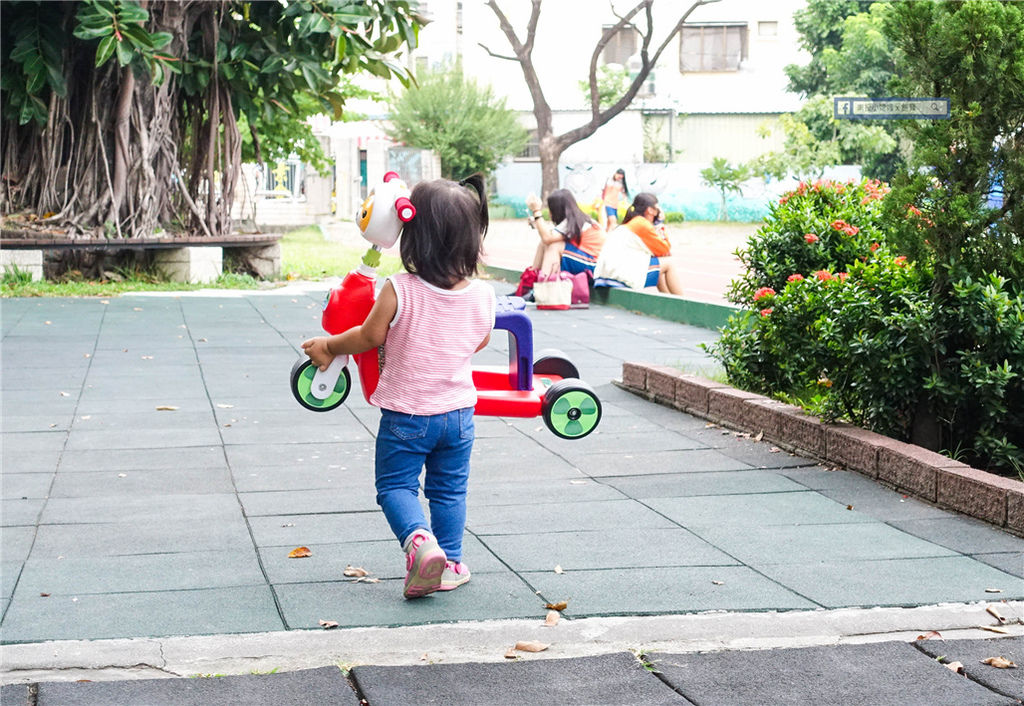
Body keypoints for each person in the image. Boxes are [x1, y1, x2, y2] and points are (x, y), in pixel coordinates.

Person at [301, 175, 496, 600]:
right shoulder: (484, 295)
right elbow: (480, 340)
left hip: (407, 416)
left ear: (413, 238)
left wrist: (329, 345)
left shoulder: (397, 290)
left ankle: (420, 543)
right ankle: (453, 562)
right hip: (459, 416)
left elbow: (369, 337)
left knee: (395, 487)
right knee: (448, 490)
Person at [593, 192, 685, 295]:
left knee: (658, 266)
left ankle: (670, 301)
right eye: (657, 206)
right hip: (620, 274)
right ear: (650, 210)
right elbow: (665, 249)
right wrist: (660, 224)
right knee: (669, 263)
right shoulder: (642, 224)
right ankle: (685, 303)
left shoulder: (634, 222)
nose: (660, 209)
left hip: (608, 274)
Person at [524, 189, 605, 277]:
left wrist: (536, 211)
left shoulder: (572, 221)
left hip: (595, 265)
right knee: (545, 243)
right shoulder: (576, 219)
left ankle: (544, 285)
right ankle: (531, 280)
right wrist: (537, 223)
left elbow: (547, 238)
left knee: (554, 247)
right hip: (590, 261)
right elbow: (550, 235)